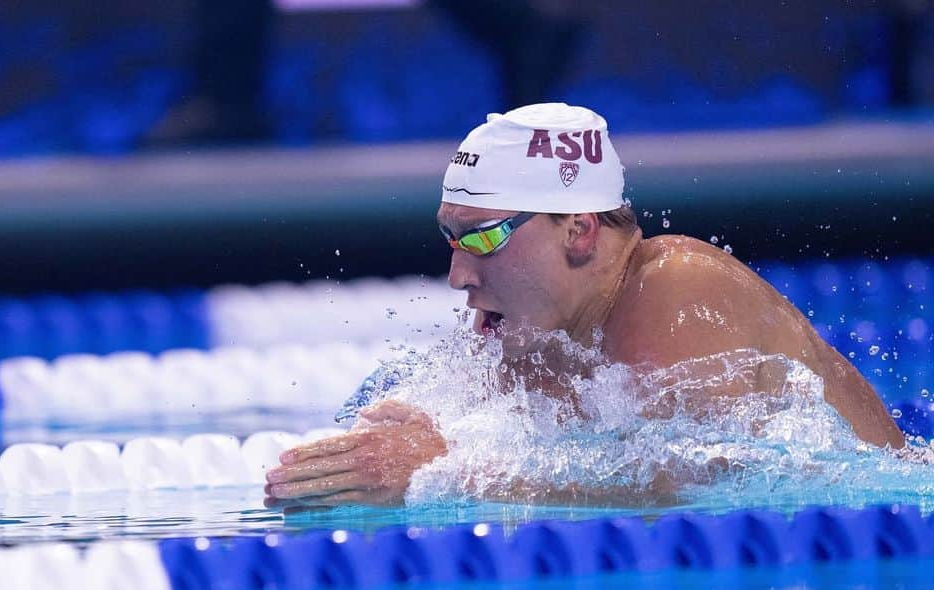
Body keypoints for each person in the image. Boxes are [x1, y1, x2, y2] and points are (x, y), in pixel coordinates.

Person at [264, 103, 905, 509]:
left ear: (578, 231)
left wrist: (443, 471)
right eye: (451, 238)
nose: (458, 274)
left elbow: (696, 480)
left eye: (485, 237)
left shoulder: (676, 288)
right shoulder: (546, 333)